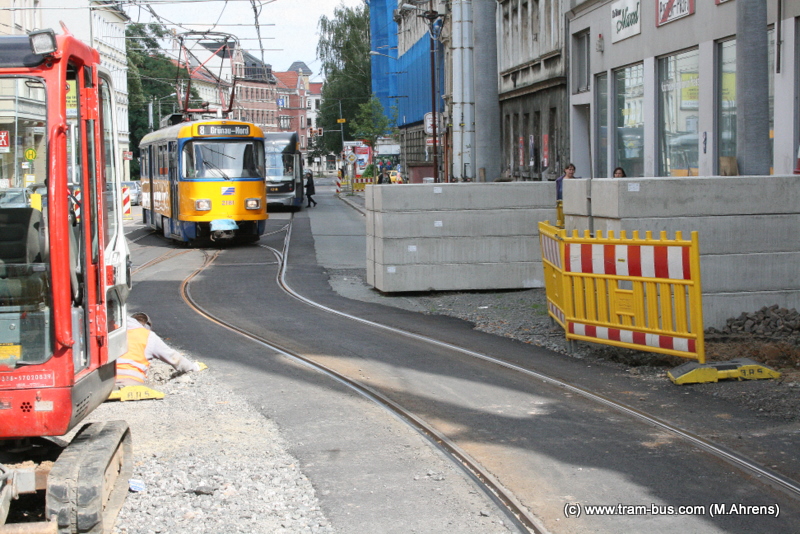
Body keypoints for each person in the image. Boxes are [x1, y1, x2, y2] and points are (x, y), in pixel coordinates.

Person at [115, 312, 206, 387]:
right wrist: (194, 367)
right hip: (132, 381)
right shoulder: (148, 336)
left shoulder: (110, 330)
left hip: (106, 382)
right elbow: (173, 357)